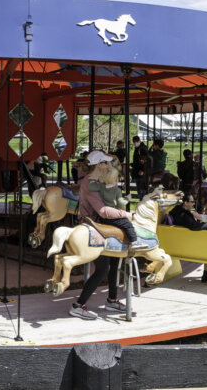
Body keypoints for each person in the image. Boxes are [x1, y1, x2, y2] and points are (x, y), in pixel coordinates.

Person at [69, 150, 146, 320]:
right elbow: (103, 211)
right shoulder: (90, 184)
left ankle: (112, 299)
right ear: (99, 165)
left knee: (115, 260)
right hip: (94, 225)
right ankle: (78, 305)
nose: (108, 166)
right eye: (105, 163)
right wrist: (126, 214)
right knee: (102, 269)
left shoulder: (96, 181)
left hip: (101, 224)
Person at [131, 136, 150, 201]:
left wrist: (142, 170)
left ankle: (143, 203)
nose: (135, 143)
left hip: (141, 173)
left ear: (139, 141)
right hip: (138, 171)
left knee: (141, 190)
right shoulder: (138, 148)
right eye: (134, 142)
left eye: (135, 142)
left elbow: (146, 161)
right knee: (140, 189)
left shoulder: (142, 149)